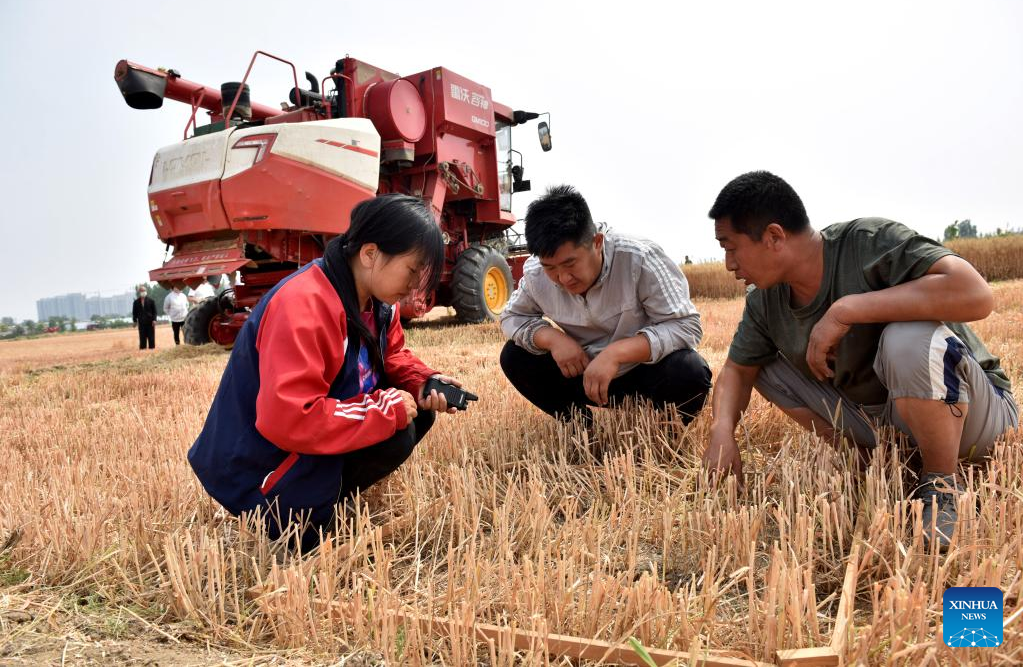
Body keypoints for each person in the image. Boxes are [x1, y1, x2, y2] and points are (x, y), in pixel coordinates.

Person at [703, 170, 1018, 548]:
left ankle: (941, 486)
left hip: (977, 416)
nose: (729, 264)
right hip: (887, 422)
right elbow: (737, 369)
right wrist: (722, 429)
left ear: (774, 236)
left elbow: (976, 295)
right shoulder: (763, 301)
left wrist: (846, 310)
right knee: (763, 367)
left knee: (907, 339)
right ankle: (873, 463)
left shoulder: (869, 243)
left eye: (730, 247)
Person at [188, 195, 466, 551]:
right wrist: (383, 411)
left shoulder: (379, 303)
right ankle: (288, 516)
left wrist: (422, 382)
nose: (415, 286)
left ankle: (323, 496)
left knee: (416, 412)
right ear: (370, 254)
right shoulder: (303, 304)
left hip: (308, 437)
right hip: (259, 468)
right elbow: (289, 417)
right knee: (395, 423)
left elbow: (392, 355)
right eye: (412, 271)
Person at [500, 185, 712, 429]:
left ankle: (665, 431)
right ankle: (580, 427)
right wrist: (553, 339)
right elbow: (512, 316)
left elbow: (686, 326)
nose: (564, 278)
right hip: (583, 372)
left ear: (597, 242)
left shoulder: (639, 259)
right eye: (551, 268)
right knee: (514, 356)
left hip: (645, 372)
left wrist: (617, 353)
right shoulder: (536, 274)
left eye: (570, 264)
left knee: (689, 371)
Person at [131, 285, 157, 350]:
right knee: (142, 337)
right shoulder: (136, 302)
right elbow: (134, 313)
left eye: (144, 290)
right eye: (141, 291)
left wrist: (154, 320)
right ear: (139, 292)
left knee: (151, 337)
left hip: (150, 322)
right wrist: (134, 321)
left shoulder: (151, 301)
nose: (143, 292)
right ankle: (143, 349)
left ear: (146, 291)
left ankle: (152, 349)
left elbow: (155, 312)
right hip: (141, 323)